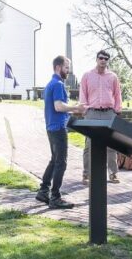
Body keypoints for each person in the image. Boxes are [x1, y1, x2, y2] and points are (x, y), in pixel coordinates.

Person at [37, 55, 85, 209]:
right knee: (61, 163)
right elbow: (58, 106)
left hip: (51, 127)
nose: (68, 71)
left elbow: (57, 108)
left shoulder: (50, 84)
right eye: (66, 67)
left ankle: (43, 191)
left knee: (54, 160)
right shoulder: (58, 84)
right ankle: (55, 197)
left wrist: (72, 110)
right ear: (58, 67)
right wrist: (76, 108)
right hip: (58, 129)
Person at [80, 50, 122, 184]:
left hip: (108, 113)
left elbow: (117, 94)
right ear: (96, 59)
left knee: (111, 144)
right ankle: (86, 174)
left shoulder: (113, 77)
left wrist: (117, 110)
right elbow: (83, 93)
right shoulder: (87, 75)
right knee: (89, 144)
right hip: (92, 112)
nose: (103, 60)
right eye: (101, 58)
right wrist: (85, 109)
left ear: (108, 61)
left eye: (106, 58)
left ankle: (113, 173)